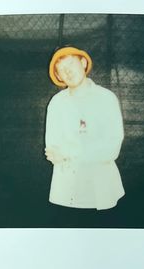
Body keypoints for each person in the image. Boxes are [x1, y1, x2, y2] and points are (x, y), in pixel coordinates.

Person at [45, 46, 125, 210]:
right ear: (59, 76)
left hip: (101, 192)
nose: (68, 72)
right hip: (65, 194)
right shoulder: (56, 103)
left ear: (82, 62)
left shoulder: (106, 99)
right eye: (62, 70)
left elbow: (111, 149)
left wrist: (68, 153)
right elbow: (53, 151)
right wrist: (88, 150)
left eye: (71, 64)